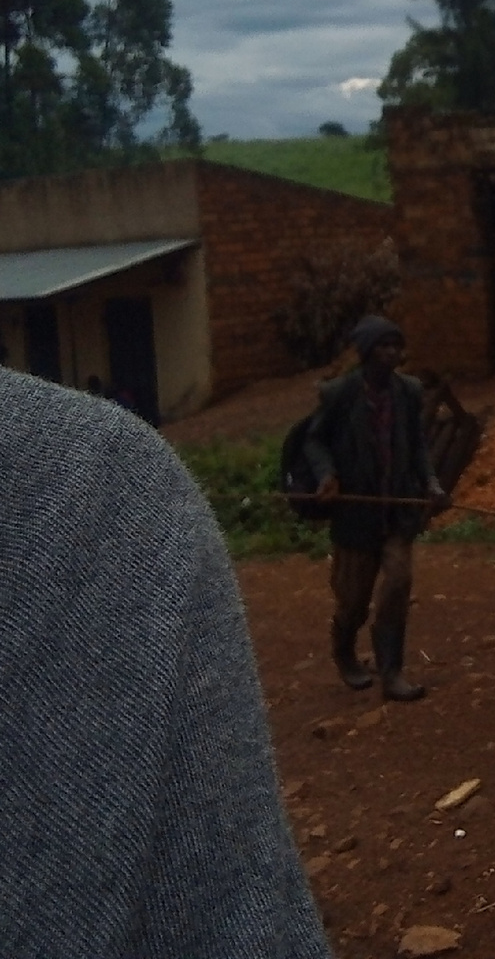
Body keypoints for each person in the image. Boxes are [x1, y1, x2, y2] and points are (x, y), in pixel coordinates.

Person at [0, 368, 330, 956]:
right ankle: (354, 653)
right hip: (351, 524)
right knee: (356, 598)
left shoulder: (92, 480)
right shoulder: (92, 484)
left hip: (391, 521)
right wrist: (328, 480)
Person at [304, 315, 446, 701]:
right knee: (352, 600)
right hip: (356, 515)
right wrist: (327, 475)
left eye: (396, 346)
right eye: (384, 346)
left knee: (398, 583)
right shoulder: (339, 395)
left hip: (396, 512)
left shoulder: (409, 392)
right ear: (366, 352)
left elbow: (417, 446)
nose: (392, 353)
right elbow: (314, 441)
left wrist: (430, 483)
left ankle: (392, 671)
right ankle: (344, 650)